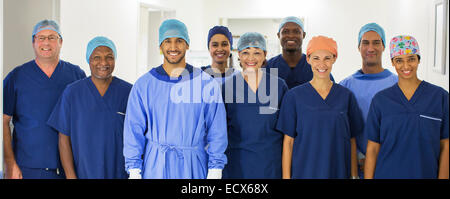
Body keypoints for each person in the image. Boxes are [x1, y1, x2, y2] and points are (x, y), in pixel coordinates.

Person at [123, 19, 228, 179]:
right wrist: (134, 170)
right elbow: (133, 129)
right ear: (160, 46)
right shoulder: (144, 85)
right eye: (167, 41)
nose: (173, 47)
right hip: (156, 166)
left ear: (187, 45)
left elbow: (217, 129)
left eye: (179, 41)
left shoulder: (206, 83)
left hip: (193, 165)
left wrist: (215, 168)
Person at [3, 19, 86, 179]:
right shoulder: (17, 77)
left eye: (52, 37)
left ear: (60, 42)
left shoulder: (76, 75)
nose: (46, 43)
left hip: (68, 169)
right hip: (27, 168)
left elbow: (85, 120)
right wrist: (9, 163)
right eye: (41, 38)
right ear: (34, 42)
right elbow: (4, 121)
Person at [277, 36, 362, 179]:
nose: (321, 64)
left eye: (327, 58)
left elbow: (352, 140)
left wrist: (354, 176)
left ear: (334, 58)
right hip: (305, 172)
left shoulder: (346, 96)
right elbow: (288, 143)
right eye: (316, 58)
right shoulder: (294, 97)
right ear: (308, 59)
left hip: (338, 171)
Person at [47, 36, 132, 179]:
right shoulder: (72, 93)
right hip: (83, 173)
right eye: (96, 57)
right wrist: (70, 175)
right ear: (88, 59)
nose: (103, 62)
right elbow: (63, 138)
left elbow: (138, 136)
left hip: (119, 173)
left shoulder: (129, 92)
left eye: (109, 57)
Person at [364, 35, 449, 179]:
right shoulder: (381, 100)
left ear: (418, 60)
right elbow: (372, 149)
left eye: (411, 59)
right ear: (392, 62)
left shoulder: (439, 97)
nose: (406, 66)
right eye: (399, 60)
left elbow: (446, 146)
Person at [221, 32, 288, 179]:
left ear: (265, 54)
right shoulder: (227, 88)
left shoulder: (279, 86)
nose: (251, 58)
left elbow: (288, 133)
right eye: (245, 52)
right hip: (237, 165)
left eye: (257, 52)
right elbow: (219, 131)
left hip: (271, 165)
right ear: (238, 54)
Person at [339, 23, 398, 177]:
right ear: (358, 47)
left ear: (384, 46)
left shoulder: (398, 84)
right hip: (356, 167)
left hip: (390, 163)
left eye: (376, 42)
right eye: (365, 42)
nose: (370, 48)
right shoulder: (345, 86)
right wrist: (359, 159)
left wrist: (376, 159)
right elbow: (342, 131)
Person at [266, 16, 333, 89]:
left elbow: (331, 95)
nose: (291, 36)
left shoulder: (316, 66)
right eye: (285, 32)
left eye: (296, 32)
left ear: (303, 35)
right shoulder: (269, 67)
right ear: (279, 35)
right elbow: (259, 97)